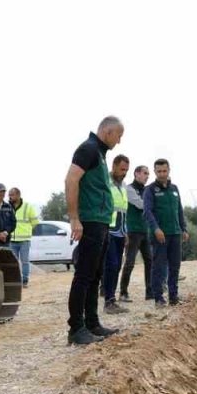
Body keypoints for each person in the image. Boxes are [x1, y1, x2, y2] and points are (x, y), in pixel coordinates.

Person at [65, 116, 123, 346]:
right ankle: (76, 328)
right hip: (89, 221)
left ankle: (92, 323)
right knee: (84, 276)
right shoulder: (88, 149)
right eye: (118, 136)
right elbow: (70, 180)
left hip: (101, 222)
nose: (118, 141)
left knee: (95, 275)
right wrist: (74, 219)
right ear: (107, 131)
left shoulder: (99, 154)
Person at [142, 158, 188, 307]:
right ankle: (158, 299)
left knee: (175, 266)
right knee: (159, 267)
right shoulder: (150, 190)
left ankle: (173, 297)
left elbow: (179, 210)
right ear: (155, 172)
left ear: (169, 170)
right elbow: (147, 212)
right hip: (160, 235)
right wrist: (156, 229)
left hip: (175, 234)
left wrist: (184, 228)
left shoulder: (174, 189)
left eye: (164, 171)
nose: (162, 174)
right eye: (159, 171)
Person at [120, 165, 154, 302]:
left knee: (150, 261)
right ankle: (123, 293)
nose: (147, 176)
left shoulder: (146, 190)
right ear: (136, 174)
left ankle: (149, 292)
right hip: (133, 231)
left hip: (145, 231)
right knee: (130, 262)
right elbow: (141, 205)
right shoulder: (129, 189)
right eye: (145, 173)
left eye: (148, 174)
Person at [103, 155, 131, 315]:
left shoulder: (123, 186)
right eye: (122, 169)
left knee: (116, 266)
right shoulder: (106, 182)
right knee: (111, 265)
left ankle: (111, 299)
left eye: (126, 170)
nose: (124, 172)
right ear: (114, 166)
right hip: (108, 231)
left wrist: (125, 231)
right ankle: (108, 301)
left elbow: (123, 211)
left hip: (120, 232)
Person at [8, 187, 39, 287]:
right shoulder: (7, 207)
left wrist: (27, 231)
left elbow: (35, 222)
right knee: (13, 262)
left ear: (18, 195)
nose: (10, 197)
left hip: (24, 240)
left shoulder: (28, 207)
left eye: (12, 195)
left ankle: (25, 281)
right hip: (12, 239)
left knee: (25, 261)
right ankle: (16, 281)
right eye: (9, 195)